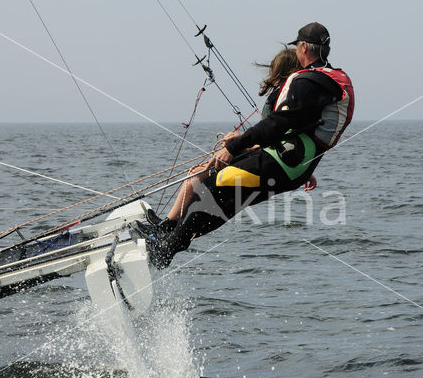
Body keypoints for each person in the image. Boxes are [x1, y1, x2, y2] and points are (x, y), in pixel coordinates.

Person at [132, 22, 354, 269]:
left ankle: (165, 248)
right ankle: (166, 243)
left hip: (283, 160)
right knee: (222, 202)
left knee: (208, 188)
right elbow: (306, 126)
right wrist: (307, 170)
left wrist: (235, 146)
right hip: (293, 162)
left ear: (303, 47)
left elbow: (278, 124)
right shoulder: (332, 79)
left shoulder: (309, 82)